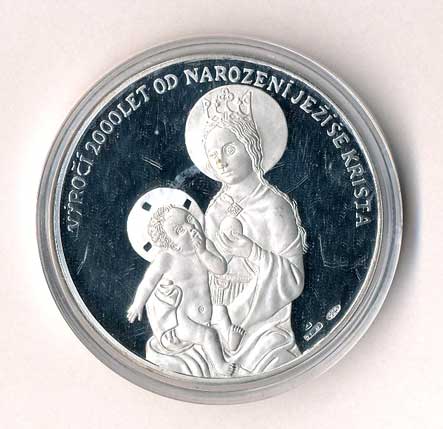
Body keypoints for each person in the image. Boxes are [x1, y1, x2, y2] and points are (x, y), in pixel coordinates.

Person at [189, 85, 307, 374]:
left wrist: (251, 251)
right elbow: (209, 270)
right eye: (213, 154)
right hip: (216, 327)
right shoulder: (215, 208)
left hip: (264, 332)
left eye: (229, 149)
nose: (221, 161)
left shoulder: (274, 206)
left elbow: (293, 279)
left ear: (251, 145)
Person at [127, 205, 236, 376]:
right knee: (208, 335)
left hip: (207, 314)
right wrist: (137, 304)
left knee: (221, 311)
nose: (190, 227)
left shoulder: (206, 245)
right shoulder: (167, 259)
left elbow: (220, 268)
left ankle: (231, 341)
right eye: (179, 230)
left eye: (189, 218)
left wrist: (202, 252)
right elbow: (148, 283)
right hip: (182, 322)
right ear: (170, 243)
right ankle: (221, 367)